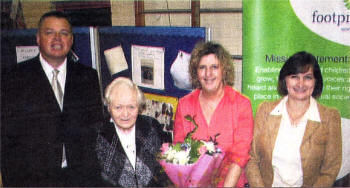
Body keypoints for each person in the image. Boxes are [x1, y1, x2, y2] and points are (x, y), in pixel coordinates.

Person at [1, 11, 104, 186]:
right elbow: (6, 137)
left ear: (71, 40)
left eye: (64, 33)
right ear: (38, 38)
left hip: (79, 179)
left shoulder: (87, 77)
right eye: (49, 33)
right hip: (32, 180)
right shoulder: (14, 77)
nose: (57, 38)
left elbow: (95, 132)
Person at [246, 51, 342, 187]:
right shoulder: (265, 110)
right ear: (285, 80)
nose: (300, 83)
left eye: (308, 77)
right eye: (294, 76)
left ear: (316, 81)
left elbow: (330, 171)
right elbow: (252, 159)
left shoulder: (330, 117)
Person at [173, 41, 254, 187]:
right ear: (195, 72)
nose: (208, 74)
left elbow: (239, 157)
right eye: (202, 67)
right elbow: (179, 151)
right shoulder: (184, 105)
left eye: (214, 67)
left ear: (224, 70)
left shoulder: (241, 105)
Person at [96, 77, 170, 187]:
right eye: (118, 107)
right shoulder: (98, 136)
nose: (125, 114)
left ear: (139, 106)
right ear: (109, 107)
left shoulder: (151, 127)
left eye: (131, 107)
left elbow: (164, 171)